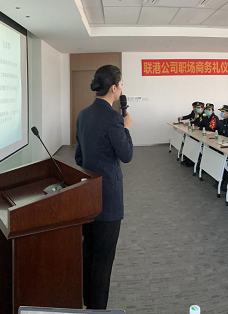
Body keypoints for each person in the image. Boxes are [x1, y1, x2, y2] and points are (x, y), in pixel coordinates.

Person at [75, 65, 133, 310]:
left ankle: (86, 300)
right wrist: (126, 127)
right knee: (103, 260)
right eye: (121, 84)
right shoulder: (113, 118)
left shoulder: (83, 115)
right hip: (108, 197)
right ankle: (97, 309)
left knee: (88, 252)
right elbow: (126, 154)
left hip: (87, 193)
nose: (122, 88)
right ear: (113, 88)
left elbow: (79, 157)